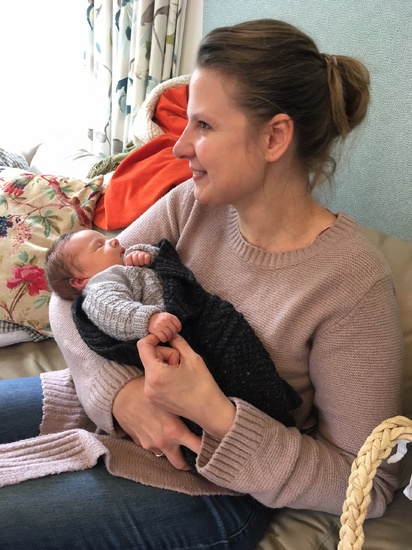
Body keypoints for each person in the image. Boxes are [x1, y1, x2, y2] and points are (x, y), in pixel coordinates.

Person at [0, 18, 404, 550]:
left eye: (205, 125)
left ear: (275, 137)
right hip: (106, 408)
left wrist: (214, 413)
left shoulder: (350, 284)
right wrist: (121, 395)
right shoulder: (189, 206)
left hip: (211, 485)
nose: (179, 147)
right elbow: (70, 295)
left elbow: (369, 483)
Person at [44, 229, 182, 343]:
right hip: (168, 328)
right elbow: (114, 310)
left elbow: (162, 259)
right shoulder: (98, 290)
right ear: (79, 280)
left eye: (106, 238)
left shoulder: (125, 264)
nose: (114, 240)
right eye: (99, 246)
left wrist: (145, 255)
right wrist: (149, 320)